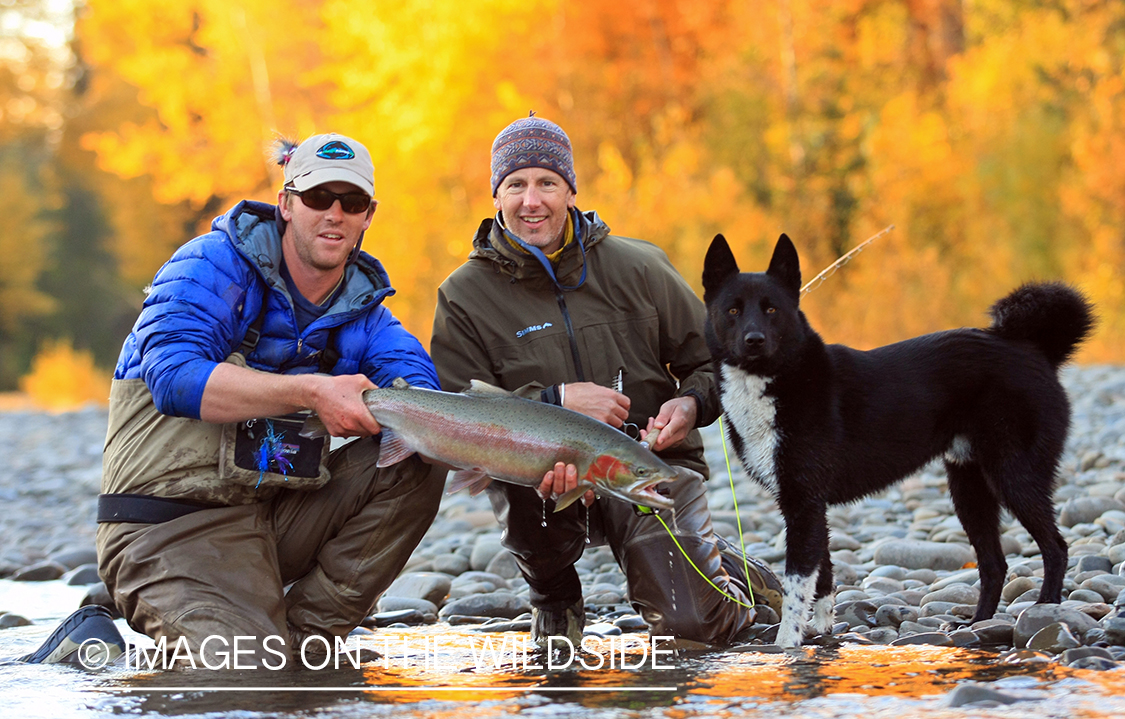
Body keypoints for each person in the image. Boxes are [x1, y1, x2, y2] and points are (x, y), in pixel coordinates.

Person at [24, 133, 447, 668]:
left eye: (352, 202)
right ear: (287, 205)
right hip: (162, 526)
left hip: (265, 523)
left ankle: (303, 642)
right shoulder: (213, 266)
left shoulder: (366, 315)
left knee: (412, 457)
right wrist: (311, 390)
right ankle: (88, 646)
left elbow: (422, 391)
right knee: (240, 673)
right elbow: (172, 377)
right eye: (318, 198)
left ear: (369, 216)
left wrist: (521, 447)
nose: (334, 214)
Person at [431, 115, 783, 648]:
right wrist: (555, 402)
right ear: (495, 195)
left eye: (547, 183)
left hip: (647, 466)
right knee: (524, 489)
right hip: (536, 479)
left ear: (571, 189)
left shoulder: (639, 267)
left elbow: (720, 360)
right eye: (515, 185)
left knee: (695, 630)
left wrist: (690, 405)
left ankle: (729, 569)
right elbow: (457, 410)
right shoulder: (463, 295)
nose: (532, 201)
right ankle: (553, 594)